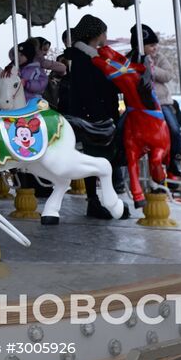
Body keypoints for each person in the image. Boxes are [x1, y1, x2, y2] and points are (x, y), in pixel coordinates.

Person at [57, 15, 128, 218]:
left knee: (102, 158)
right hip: (93, 116)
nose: (106, 36)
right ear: (95, 35)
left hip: (98, 113)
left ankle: (106, 200)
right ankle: (95, 200)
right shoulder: (84, 58)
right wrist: (99, 114)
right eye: (104, 32)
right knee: (95, 159)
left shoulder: (94, 56)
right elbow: (87, 88)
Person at [128, 25, 180, 178]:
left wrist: (151, 68)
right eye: (151, 45)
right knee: (121, 128)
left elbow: (168, 75)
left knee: (174, 129)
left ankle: (174, 161)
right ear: (141, 46)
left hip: (160, 102)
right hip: (138, 104)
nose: (155, 48)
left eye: (155, 44)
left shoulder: (159, 58)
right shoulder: (131, 58)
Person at [17, 37, 65, 105]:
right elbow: (62, 68)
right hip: (30, 100)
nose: (45, 53)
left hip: (31, 99)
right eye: (44, 50)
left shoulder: (32, 67)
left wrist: (26, 84)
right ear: (37, 50)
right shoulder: (39, 62)